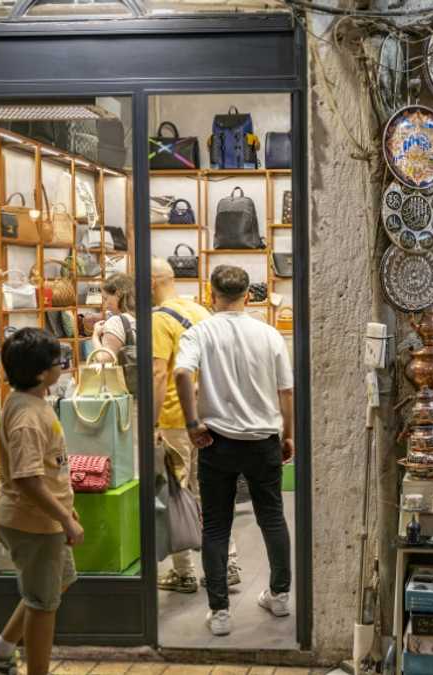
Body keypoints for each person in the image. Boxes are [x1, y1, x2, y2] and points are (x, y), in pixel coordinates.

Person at [174, 265, 294, 637]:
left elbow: (181, 373)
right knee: (272, 518)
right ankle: (279, 595)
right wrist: (288, 434)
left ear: (211, 295)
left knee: (216, 525)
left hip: (218, 441)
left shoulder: (200, 332)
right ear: (248, 295)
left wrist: (192, 423)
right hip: (263, 440)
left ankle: (221, 612)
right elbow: (286, 391)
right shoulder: (269, 334)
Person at [0, 328, 81, 675]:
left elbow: (45, 471)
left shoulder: (30, 404)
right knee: (43, 604)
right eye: (56, 362)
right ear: (40, 373)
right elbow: (27, 478)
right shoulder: (28, 418)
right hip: (31, 522)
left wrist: (63, 508)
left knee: (55, 584)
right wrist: (65, 518)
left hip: (41, 519)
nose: (61, 366)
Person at [148, 257, 244, 594]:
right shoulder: (202, 312)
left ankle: (185, 571)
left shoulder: (159, 320)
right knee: (212, 493)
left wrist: (151, 420)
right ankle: (227, 562)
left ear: (150, 284)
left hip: (176, 418)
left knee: (177, 495)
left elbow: (159, 374)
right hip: (210, 415)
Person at [93, 272, 135, 363]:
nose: (105, 305)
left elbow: (104, 360)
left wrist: (95, 336)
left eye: (106, 298)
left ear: (118, 294)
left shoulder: (116, 322)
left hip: (126, 376)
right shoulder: (147, 316)